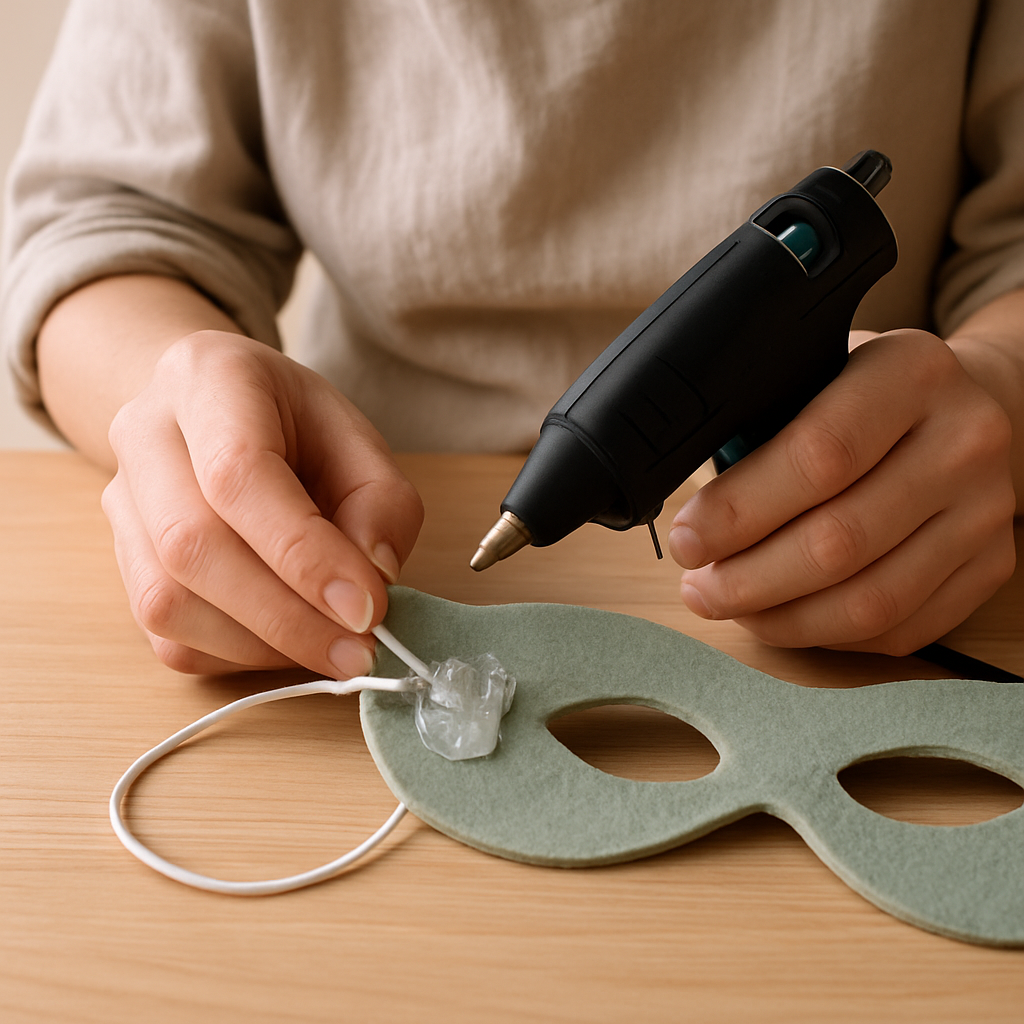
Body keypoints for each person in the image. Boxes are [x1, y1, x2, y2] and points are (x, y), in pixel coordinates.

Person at [3, 0, 1023, 678]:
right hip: (373, 529)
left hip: (908, 571)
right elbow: (103, 216)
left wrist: (1002, 386)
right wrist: (178, 400)